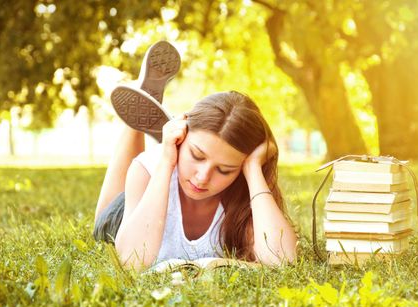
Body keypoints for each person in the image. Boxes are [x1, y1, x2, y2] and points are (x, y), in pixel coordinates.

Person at [93, 41, 297, 271]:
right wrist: (166, 161)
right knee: (108, 212)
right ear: (182, 138)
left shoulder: (244, 190)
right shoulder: (149, 169)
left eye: (224, 169)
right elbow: (131, 262)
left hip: (194, 160)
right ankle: (139, 111)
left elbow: (283, 261)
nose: (202, 178)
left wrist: (252, 169)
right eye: (197, 155)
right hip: (131, 214)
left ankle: (158, 121)